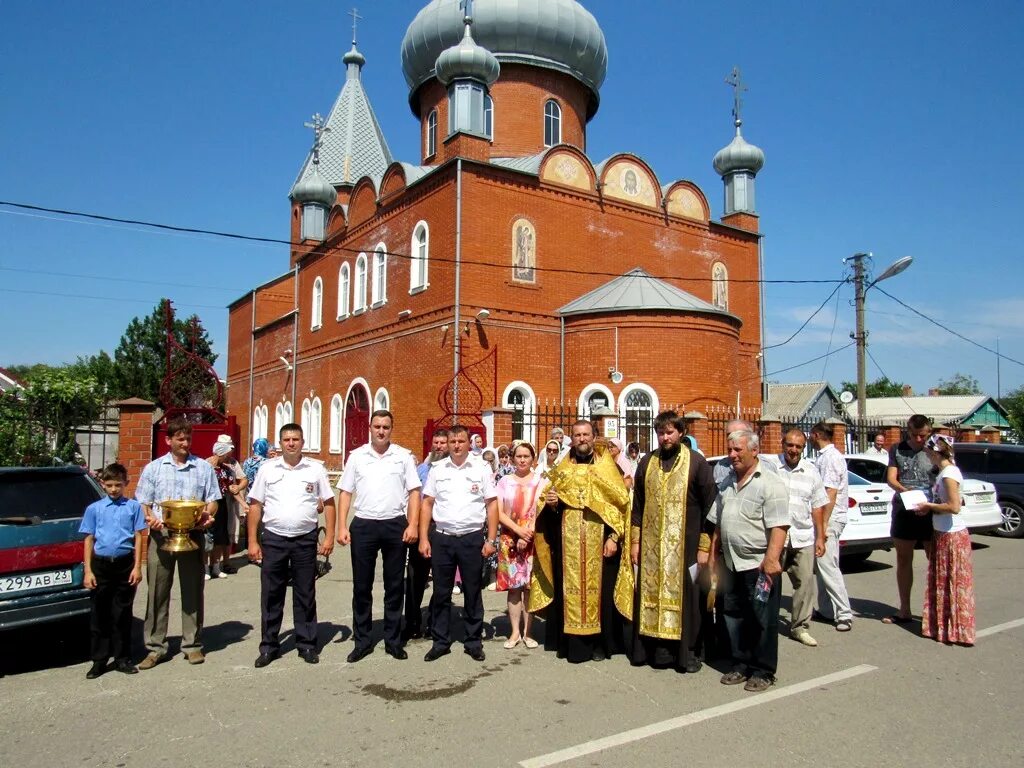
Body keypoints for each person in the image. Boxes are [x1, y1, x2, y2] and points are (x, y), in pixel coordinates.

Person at [530, 420, 634, 663]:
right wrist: (553, 504)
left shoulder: (607, 468)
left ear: (594, 436)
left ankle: (600, 645)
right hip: (569, 545)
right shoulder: (562, 470)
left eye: (586, 434)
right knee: (570, 594)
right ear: (572, 439)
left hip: (601, 543)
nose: (582, 439)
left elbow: (619, 504)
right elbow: (548, 507)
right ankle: (571, 646)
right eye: (577, 435)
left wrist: (613, 536)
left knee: (602, 596)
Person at [629, 411, 717, 672]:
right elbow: (638, 505)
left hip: (686, 548)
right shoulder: (647, 462)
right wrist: (635, 542)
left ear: (681, 433)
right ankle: (654, 650)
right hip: (651, 549)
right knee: (650, 594)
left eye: (669, 432)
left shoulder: (697, 463)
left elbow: (711, 507)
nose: (665, 437)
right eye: (660, 433)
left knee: (687, 601)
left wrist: (704, 547)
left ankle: (686, 652)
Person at [247, 423, 336, 667]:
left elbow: (329, 502)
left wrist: (329, 537)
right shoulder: (267, 469)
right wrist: (253, 541)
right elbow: (255, 504)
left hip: (304, 540)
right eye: (286, 439)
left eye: (295, 439)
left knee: (305, 593)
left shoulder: (314, 470)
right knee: (271, 594)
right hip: (274, 539)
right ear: (280, 442)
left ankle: (306, 644)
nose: (291, 443)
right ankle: (269, 646)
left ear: (302, 442)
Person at [135, 417, 220, 669]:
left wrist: (208, 515)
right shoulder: (154, 468)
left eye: (188, 438)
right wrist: (150, 518)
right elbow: (144, 502)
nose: (185, 443)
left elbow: (213, 499)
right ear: (168, 440)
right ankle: (155, 647)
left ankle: (192, 645)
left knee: (193, 590)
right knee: (157, 592)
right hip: (161, 538)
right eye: (180, 439)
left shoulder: (203, 468)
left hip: (193, 535)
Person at [708, 428, 789, 692]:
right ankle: (740, 664)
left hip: (758, 565)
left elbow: (779, 526)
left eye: (737, 450)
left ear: (754, 450)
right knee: (733, 615)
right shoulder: (728, 482)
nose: (731, 455)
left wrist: (772, 560)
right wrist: (712, 557)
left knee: (762, 619)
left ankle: (763, 670)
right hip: (731, 564)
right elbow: (718, 524)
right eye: (730, 449)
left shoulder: (770, 482)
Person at [337, 410, 421, 662]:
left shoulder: (403, 456)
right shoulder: (357, 457)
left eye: (386, 427)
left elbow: (415, 492)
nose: (381, 431)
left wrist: (413, 524)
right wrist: (342, 525)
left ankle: (393, 641)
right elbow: (344, 492)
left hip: (395, 524)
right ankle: (362, 641)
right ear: (370, 428)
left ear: (391, 429)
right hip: (364, 525)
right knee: (361, 586)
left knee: (394, 586)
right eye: (377, 426)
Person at [419, 425, 499, 662]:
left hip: (471, 538)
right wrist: (424, 537)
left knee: (473, 591)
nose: (456, 445)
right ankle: (440, 641)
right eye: (452, 441)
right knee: (441, 592)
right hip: (442, 538)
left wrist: (491, 540)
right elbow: (427, 503)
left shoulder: (481, 468)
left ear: (469, 443)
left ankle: (473, 641)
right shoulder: (437, 468)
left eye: (461, 441)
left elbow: (492, 504)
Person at [80, 463, 147, 678]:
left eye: (118, 485)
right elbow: (89, 539)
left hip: (124, 564)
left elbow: (138, 536)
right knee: (100, 614)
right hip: (101, 565)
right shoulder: (94, 509)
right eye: (109, 485)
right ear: (103, 484)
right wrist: (88, 571)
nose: (114, 489)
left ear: (126, 484)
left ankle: (122, 658)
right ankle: (99, 660)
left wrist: (137, 567)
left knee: (122, 613)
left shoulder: (133, 507)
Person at [762, 430, 828, 647]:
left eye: (798, 446)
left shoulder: (811, 471)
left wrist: (820, 536)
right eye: (789, 445)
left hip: (803, 536)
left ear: (804, 447)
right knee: (766, 581)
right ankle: (763, 624)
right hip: (774, 538)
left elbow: (818, 506)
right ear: (782, 444)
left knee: (805, 584)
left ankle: (799, 627)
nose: (793, 450)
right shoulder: (770, 466)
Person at [916, 434, 975, 645]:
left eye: (928, 452)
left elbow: (954, 506)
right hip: (942, 533)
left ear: (935, 451)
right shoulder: (944, 472)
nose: (927, 456)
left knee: (953, 582)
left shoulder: (949, 473)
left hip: (952, 536)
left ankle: (958, 630)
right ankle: (944, 627)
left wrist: (929, 507)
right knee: (943, 582)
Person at [883, 414, 934, 625]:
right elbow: (891, 478)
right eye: (916, 435)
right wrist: (905, 490)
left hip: (931, 510)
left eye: (924, 435)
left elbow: (945, 474)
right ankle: (904, 609)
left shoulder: (935, 449)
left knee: (935, 560)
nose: (920, 439)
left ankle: (935, 610)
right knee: (904, 560)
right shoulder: (897, 449)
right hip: (904, 509)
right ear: (908, 430)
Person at [495, 442, 543, 649]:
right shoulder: (504, 481)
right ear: (513, 458)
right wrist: (518, 530)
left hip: (533, 540)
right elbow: (498, 512)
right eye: (519, 456)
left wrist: (528, 532)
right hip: (509, 539)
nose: (522, 460)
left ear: (533, 459)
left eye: (526, 456)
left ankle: (528, 632)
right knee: (514, 587)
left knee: (529, 587)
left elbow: (540, 509)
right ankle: (514, 631)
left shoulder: (540, 481)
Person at [809, 422, 854, 632]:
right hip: (827, 518)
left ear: (816, 434)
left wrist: (823, 525)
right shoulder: (825, 456)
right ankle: (827, 610)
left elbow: (830, 493)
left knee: (828, 566)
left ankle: (844, 613)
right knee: (822, 566)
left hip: (830, 519)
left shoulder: (830, 458)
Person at [404, 429, 448, 642]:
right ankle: (412, 622)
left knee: (441, 578)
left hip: (442, 528)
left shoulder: (451, 469)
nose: (439, 446)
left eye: (443, 443)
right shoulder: (421, 469)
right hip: (422, 526)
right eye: (436, 442)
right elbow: (413, 498)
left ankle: (434, 621)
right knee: (415, 578)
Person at [206, 434, 247, 579]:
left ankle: (216, 567)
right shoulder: (206, 466)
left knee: (221, 537)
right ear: (220, 452)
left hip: (223, 504)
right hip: (209, 504)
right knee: (208, 537)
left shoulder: (228, 468)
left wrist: (243, 504)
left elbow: (233, 487)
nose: (228, 457)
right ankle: (206, 568)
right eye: (227, 453)